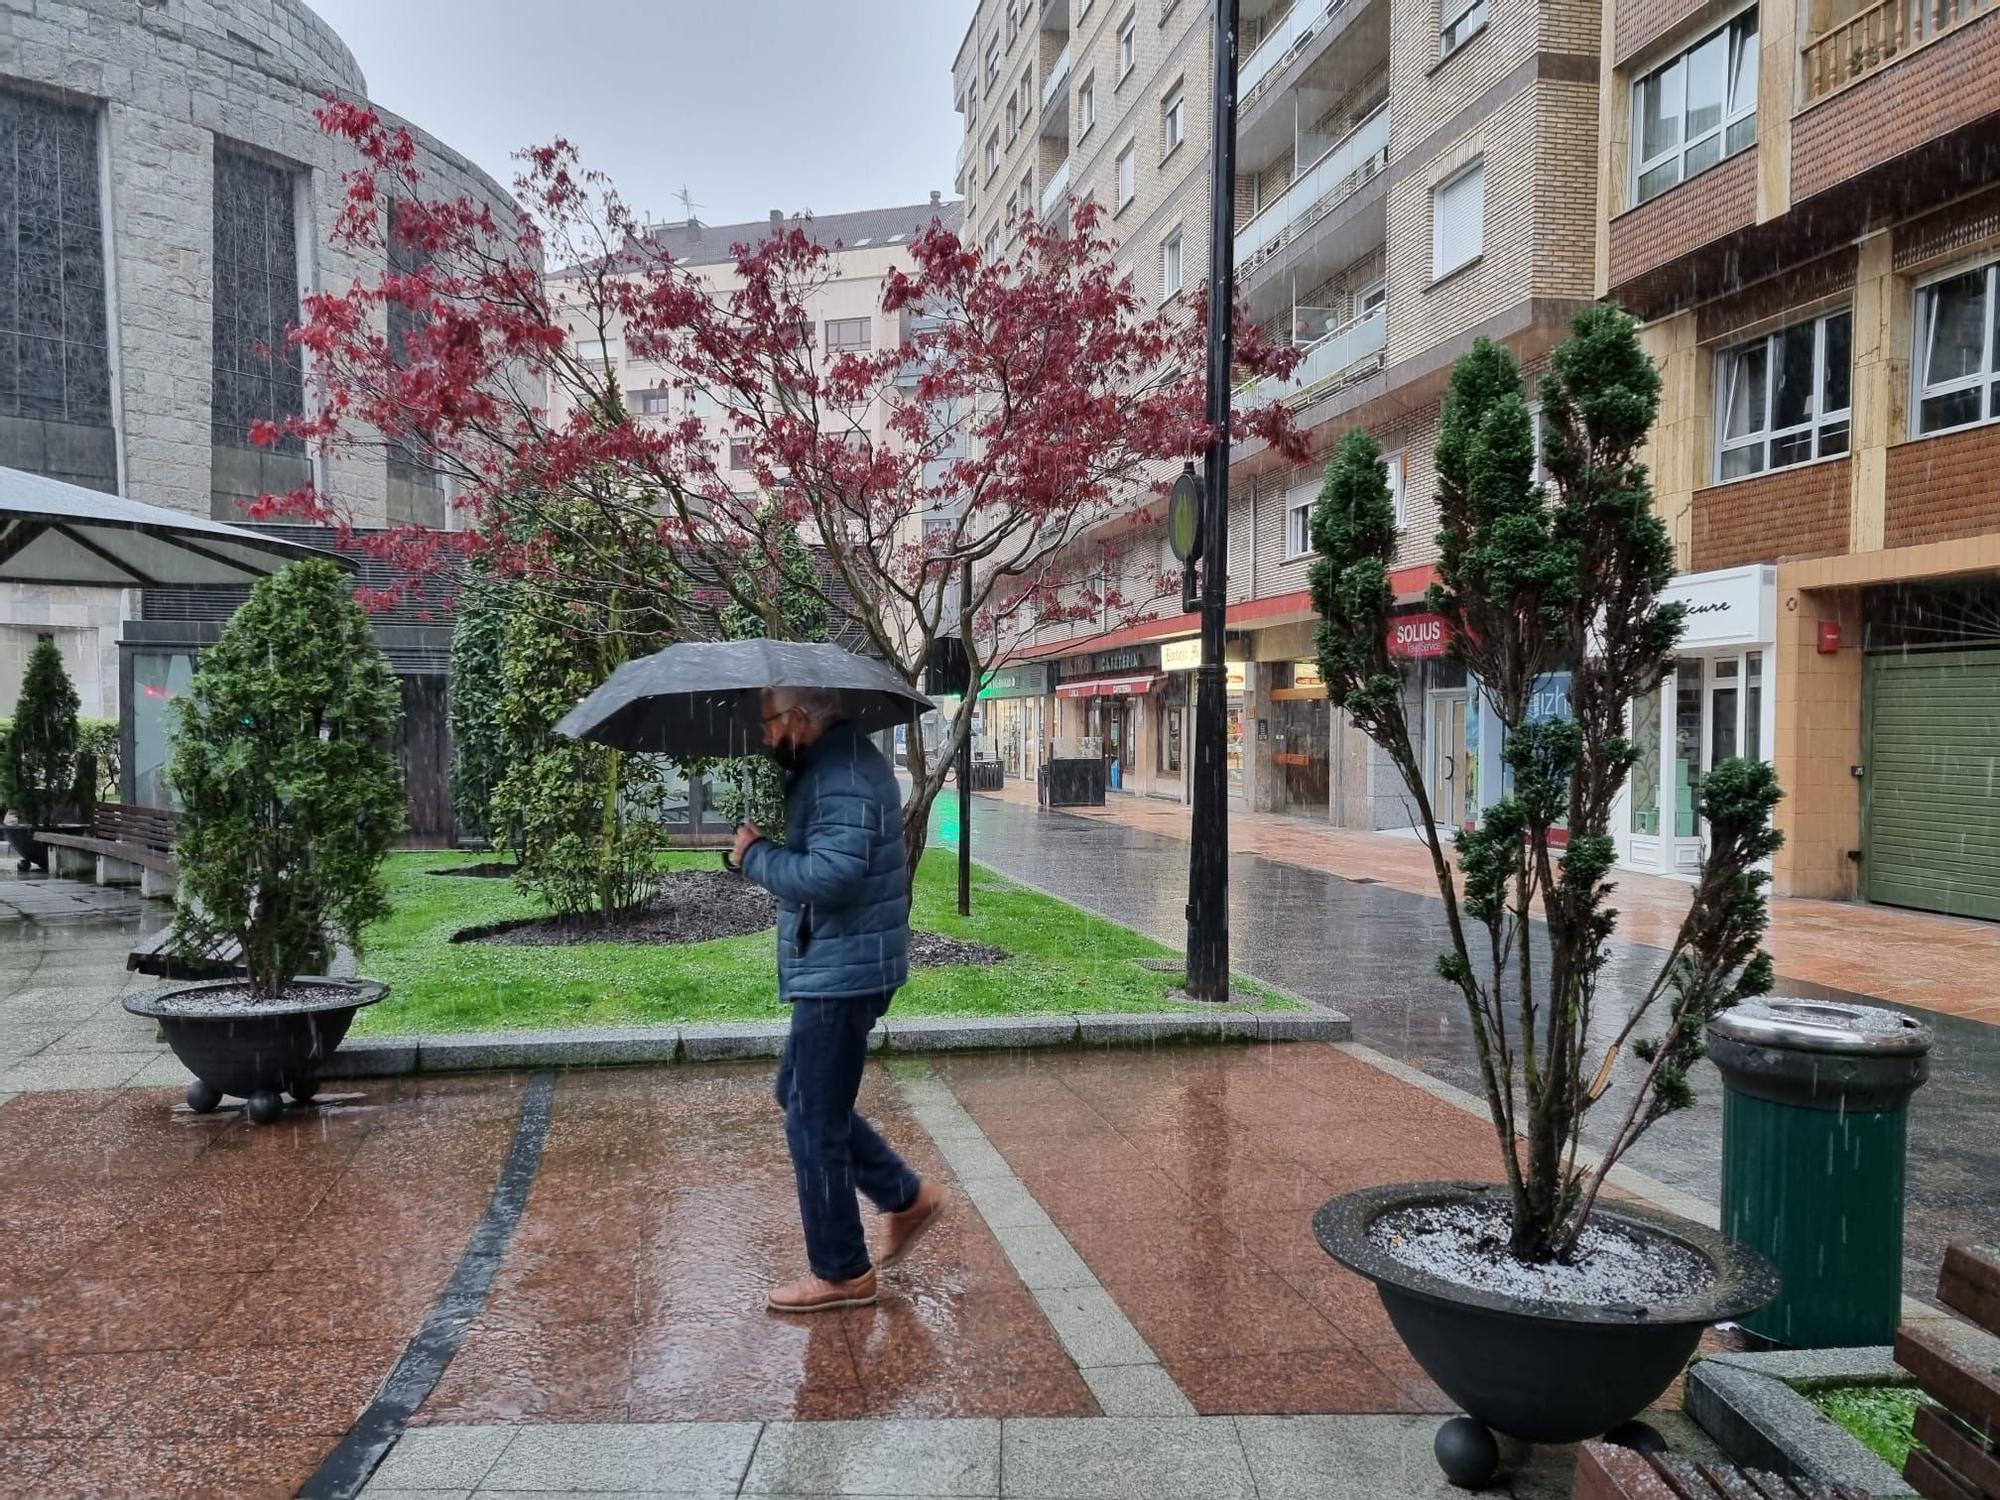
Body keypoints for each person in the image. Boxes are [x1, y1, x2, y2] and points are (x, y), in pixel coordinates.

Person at [732, 685, 948, 1313]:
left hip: (843, 970)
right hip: (840, 961)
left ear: (800, 719)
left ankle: (843, 1272)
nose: (766, 736)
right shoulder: (833, 766)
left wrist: (756, 856)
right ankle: (905, 1197)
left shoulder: (842, 773)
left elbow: (833, 875)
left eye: (771, 724)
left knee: (813, 1120)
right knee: (797, 1096)